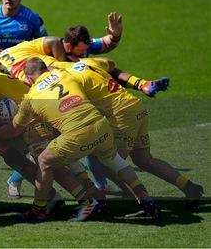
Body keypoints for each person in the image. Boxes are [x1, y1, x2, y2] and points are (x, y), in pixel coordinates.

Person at [0, 57, 161, 221]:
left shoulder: (31, 97)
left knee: (44, 160)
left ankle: (40, 210)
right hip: (101, 126)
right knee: (114, 161)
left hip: (76, 134)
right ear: (45, 68)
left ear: (29, 78)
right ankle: (146, 201)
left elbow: (14, 130)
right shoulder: (65, 74)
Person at [52, 57, 204, 210]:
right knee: (144, 160)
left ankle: (140, 200)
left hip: (122, 115)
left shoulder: (69, 80)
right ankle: (190, 188)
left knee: (108, 163)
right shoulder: (86, 63)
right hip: (136, 106)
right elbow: (110, 62)